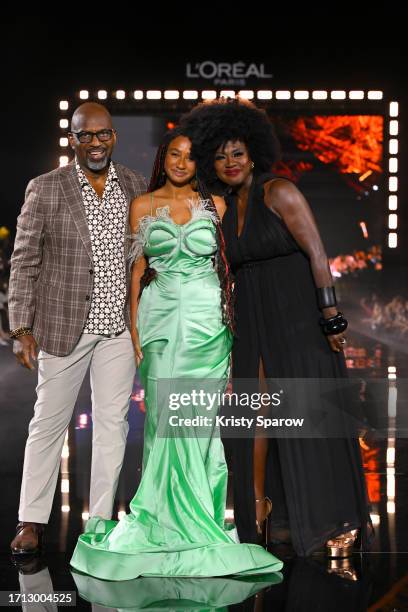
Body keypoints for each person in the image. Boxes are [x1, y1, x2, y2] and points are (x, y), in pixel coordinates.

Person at [69, 127, 283, 579]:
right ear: (163, 159)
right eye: (174, 155)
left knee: (201, 425)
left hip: (209, 328)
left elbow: (229, 267)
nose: (181, 163)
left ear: (197, 163)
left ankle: (199, 516)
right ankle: (163, 518)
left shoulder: (216, 206)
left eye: (189, 157)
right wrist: (134, 328)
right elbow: (137, 270)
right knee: (165, 421)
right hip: (159, 322)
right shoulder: (141, 206)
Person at [181, 98, 373, 558]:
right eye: (221, 155)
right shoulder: (229, 205)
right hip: (252, 318)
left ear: (255, 153)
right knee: (259, 416)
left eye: (238, 153)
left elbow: (318, 255)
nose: (230, 163)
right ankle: (264, 513)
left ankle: (334, 519)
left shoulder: (280, 191)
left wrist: (331, 316)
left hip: (296, 317)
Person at [9, 102, 147, 556]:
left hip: (118, 330)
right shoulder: (46, 189)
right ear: (73, 139)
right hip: (64, 325)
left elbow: (144, 260)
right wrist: (22, 326)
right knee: (48, 423)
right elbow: (24, 260)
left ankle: (102, 524)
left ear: (113, 137)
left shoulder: (133, 184)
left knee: (113, 425)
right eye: (84, 135)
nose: (94, 142)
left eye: (102, 134)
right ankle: (31, 521)